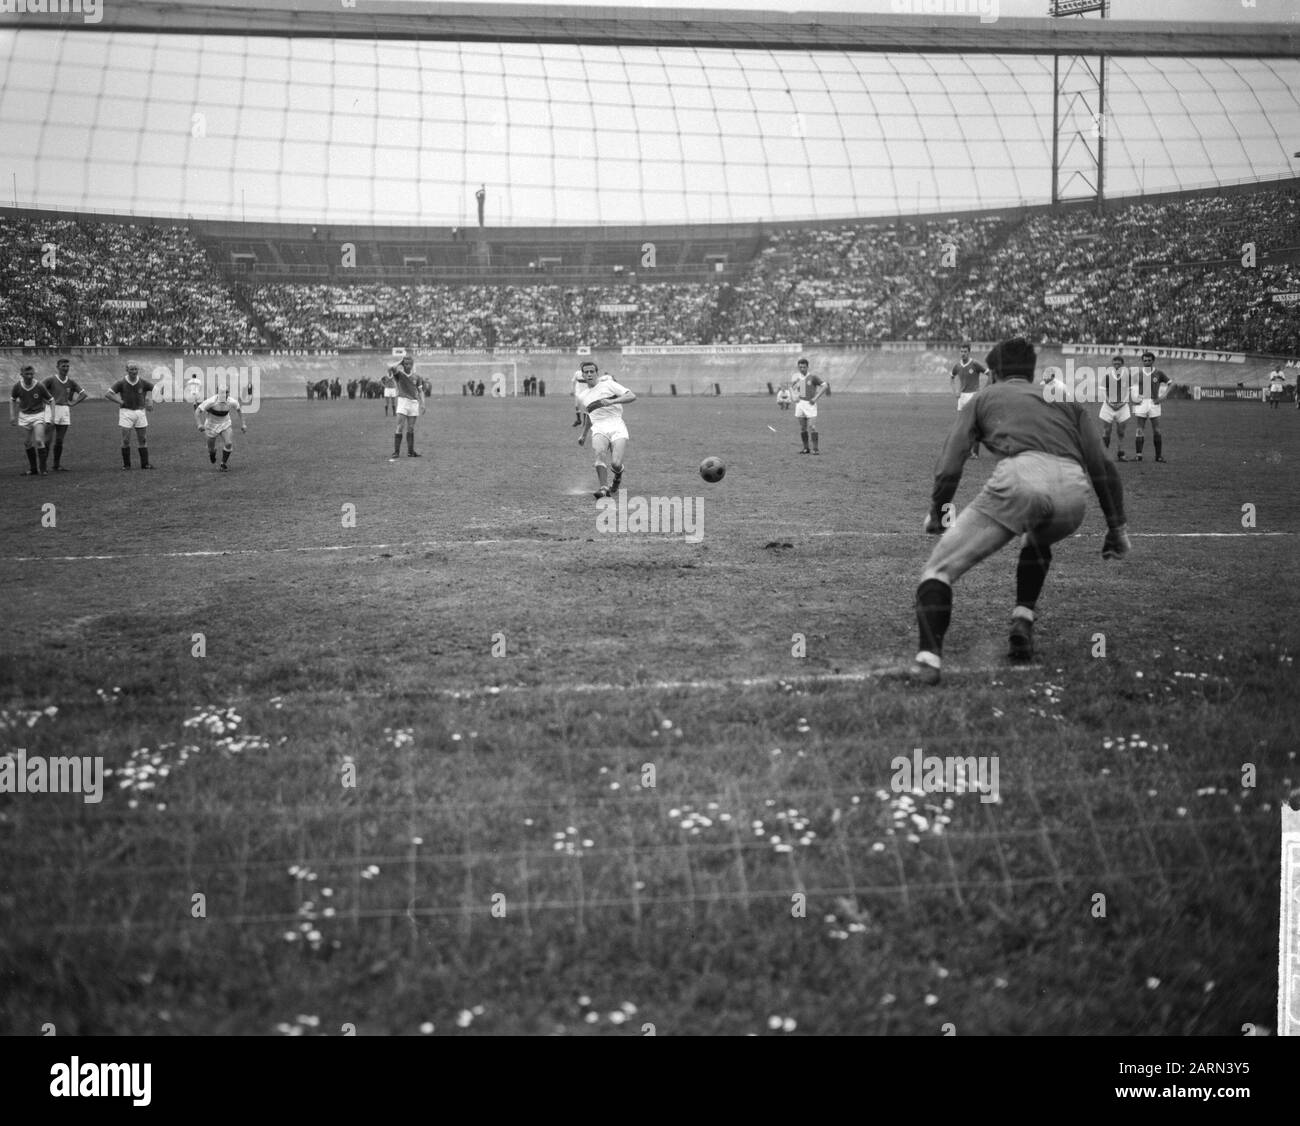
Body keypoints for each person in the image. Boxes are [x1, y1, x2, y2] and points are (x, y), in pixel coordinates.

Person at [891, 337, 1129, 686]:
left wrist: (938, 512)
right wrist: (1116, 528)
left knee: (937, 572)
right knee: (1037, 539)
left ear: (995, 373)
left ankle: (928, 662)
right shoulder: (1063, 398)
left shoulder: (984, 397)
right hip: (1074, 492)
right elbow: (1102, 466)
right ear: (1030, 371)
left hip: (1022, 477)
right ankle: (1023, 619)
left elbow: (950, 464)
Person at [576, 360, 635, 499]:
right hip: (599, 427)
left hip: (617, 425)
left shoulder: (609, 384)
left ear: (597, 373)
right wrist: (583, 435)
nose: (589, 374)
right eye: (586, 372)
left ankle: (618, 475)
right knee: (599, 456)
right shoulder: (583, 396)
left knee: (616, 463)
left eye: (592, 371)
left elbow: (632, 396)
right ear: (583, 375)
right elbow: (589, 417)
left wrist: (613, 401)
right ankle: (603, 487)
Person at [105, 362, 156, 469]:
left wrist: (150, 400)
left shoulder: (143, 382)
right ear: (127, 370)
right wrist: (119, 401)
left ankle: (145, 464)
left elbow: (157, 389)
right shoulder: (121, 383)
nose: (134, 371)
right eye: (131, 369)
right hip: (126, 413)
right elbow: (108, 394)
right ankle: (126, 465)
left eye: (135, 369)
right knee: (126, 440)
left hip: (141, 412)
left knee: (142, 439)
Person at [42, 357, 88, 472]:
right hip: (52, 409)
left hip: (65, 411)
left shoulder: (70, 381)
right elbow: (39, 389)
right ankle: (43, 467)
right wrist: (45, 400)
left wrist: (73, 403)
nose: (66, 368)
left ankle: (56, 465)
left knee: (59, 440)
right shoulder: (51, 379)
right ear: (57, 367)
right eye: (63, 366)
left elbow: (83, 394)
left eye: (67, 366)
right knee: (47, 440)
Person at [10, 365, 54, 476]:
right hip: (24, 416)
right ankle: (33, 469)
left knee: (39, 441)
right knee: (27, 443)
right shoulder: (17, 386)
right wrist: (12, 415)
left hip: (38, 415)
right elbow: (12, 399)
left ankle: (43, 469)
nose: (29, 376)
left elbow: (51, 400)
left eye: (31, 374)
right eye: (27, 374)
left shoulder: (39, 386)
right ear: (22, 374)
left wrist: (52, 416)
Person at [194, 384, 246, 471]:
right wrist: (199, 424)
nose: (224, 394)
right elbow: (197, 411)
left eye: (226, 392)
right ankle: (212, 453)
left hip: (225, 424)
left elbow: (239, 410)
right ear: (218, 393)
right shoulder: (211, 401)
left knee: (229, 443)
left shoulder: (232, 401)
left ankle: (223, 464)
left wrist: (243, 424)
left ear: (228, 393)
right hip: (211, 426)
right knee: (211, 449)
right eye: (222, 392)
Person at [383, 354, 424, 460]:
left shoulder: (417, 377)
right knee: (400, 427)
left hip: (414, 403)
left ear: (412, 364)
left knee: (411, 428)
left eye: (410, 364)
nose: (408, 366)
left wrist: (423, 403)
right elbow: (390, 368)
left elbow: (420, 391)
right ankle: (396, 452)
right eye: (405, 364)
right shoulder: (399, 374)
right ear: (403, 365)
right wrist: (400, 361)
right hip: (402, 402)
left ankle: (411, 452)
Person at [950, 342, 988, 459]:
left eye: (965, 351)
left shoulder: (975, 364)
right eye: (961, 351)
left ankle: (975, 453)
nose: (963, 353)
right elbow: (951, 378)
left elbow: (989, 374)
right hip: (962, 397)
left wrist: (984, 389)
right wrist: (955, 390)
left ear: (969, 352)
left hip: (973, 396)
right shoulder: (957, 366)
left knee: (974, 425)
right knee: (962, 425)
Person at [1132, 351, 1171, 461]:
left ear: (1153, 361)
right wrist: (1134, 398)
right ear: (1142, 361)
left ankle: (1158, 456)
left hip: (1154, 403)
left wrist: (1163, 396)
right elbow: (1130, 387)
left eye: (1149, 360)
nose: (1147, 362)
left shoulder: (1159, 373)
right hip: (1141, 403)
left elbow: (1171, 383)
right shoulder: (1138, 373)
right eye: (1145, 360)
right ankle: (1138, 455)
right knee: (1139, 428)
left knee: (1157, 430)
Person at [791, 357, 826, 454]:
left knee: (812, 427)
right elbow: (793, 389)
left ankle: (815, 449)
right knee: (803, 428)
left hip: (810, 405)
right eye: (800, 367)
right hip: (800, 405)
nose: (802, 369)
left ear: (807, 367)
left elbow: (825, 386)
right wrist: (795, 397)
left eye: (804, 367)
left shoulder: (813, 377)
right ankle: (806, 448)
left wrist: (816, 398)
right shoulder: (798, 378)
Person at [1099, 354, 1130, 460]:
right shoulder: (1107, 376)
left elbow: (1129, 391)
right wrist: (1109, 403)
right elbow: (1103, 391)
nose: (1116, 365)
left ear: (1122, 364)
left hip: (1123, 407)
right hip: (1108, 407)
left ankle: (1121, 453)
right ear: (1112, 364)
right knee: (1107, 431)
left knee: (1121, 431)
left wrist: (1123, 403)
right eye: (1115, 363)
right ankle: (1104, 454)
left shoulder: (1127, 376)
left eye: (1119, 363)